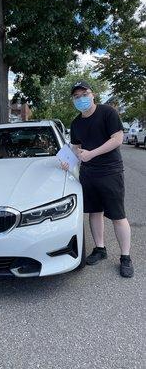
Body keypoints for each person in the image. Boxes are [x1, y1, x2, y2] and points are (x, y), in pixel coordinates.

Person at [60, 81, 134, 278]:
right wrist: (69, 160)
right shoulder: (76, 123)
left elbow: (117, 139)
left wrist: (92, 154)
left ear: (93, 95)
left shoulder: (107, 113)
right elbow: (76, 148)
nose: (81, 99)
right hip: (89, 174)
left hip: (110, 171)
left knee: (118, 216)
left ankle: (125, 257)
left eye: (84, 94)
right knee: (94, 212)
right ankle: (100, 249)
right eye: (76, 97)